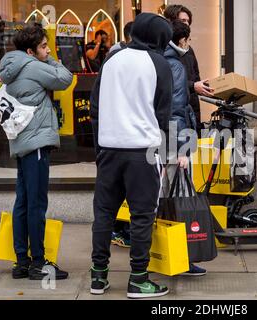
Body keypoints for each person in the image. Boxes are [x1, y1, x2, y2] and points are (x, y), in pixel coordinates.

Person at [89, 13, 173, 299]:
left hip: (110, 148)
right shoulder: (158, 63)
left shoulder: (112, 59)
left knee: (104, 215)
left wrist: (100, 148)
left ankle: (98, 277)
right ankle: (138, 279)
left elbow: (95, 108)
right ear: (159, 38)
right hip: (143, 151)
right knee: (141, 216)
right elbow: (164, 114)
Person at [0, 24, 73, 279]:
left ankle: (22, 260)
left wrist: (43, 55)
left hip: (22, 142)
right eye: (43, 46)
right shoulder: (32, 66)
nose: (47, 49)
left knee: (23, 201)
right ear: (30, 51)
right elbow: (65, 78)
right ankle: (38, 263)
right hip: (36, 143)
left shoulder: (12, 66)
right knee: (37, 204)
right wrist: (50, 58)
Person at [164, 20, 206, 276]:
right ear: (181, 41)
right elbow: (176, 109)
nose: (189, 46)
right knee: (179, 199)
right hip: (174, 139)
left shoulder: (156, 60)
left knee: (164, 200)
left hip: (158, 139)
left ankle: (162, 255)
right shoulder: (175, 65)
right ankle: (182, 260)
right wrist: (182, 149)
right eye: (188, 41)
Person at [164, 4, 215, 134]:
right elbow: (167, 81)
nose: (186, 24)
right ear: (170, 21)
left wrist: (204, 86)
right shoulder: (162, 48)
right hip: (173, 116)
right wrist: (193, 86)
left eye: (188, 21)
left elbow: (195, 77)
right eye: (183, 21)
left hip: (192, 110)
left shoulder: (189, 49)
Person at [109, 21, 134, 249]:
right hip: (122, 137)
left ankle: (119, 229)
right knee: (122, 191)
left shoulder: (117, 57)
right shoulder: (118, 57)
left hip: (119, 136)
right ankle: (119, 230)